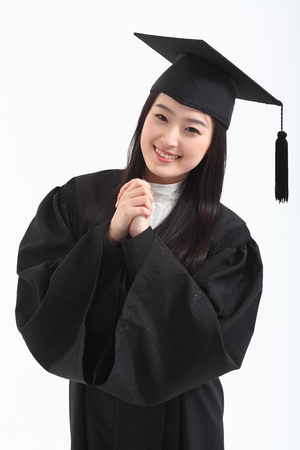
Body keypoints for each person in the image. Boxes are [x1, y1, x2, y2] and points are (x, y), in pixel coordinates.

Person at [16, 33, 283, 449]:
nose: (169, 138)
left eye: (192, 127)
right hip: (97, 410)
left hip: (185, 420)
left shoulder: (228, 238)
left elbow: (207, 341)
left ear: (214, 144)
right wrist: (107, 238)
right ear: (144, 116)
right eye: (161, 116)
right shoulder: (79, 200)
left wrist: (142, 241)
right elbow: (39, 303)